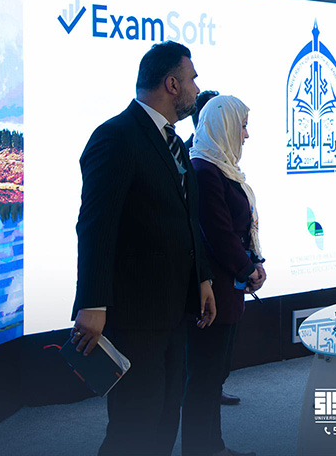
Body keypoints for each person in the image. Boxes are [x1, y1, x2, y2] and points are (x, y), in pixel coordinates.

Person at [70, 41, 216, 456]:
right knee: (133, 425)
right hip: (134, 315)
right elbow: (95, 226)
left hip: (174, 311)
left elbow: (187, 219)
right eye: (192, 79)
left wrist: (203, 278)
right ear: (172, 84)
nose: (196, 87)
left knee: (166, 416)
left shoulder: (177, 144)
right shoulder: (115, 137)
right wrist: (92, 303)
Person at [182, 95, 265, 456]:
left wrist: (254, 261)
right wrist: (248, 268)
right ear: (224, 125)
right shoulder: (204, 170)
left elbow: (238, 228)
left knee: (212, 375)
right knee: (204, 376)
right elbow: (217, 233)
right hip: (212, 289)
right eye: (242, 126)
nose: (246, 134)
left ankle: (211, 447)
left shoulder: (221, 167)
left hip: (227, 286)